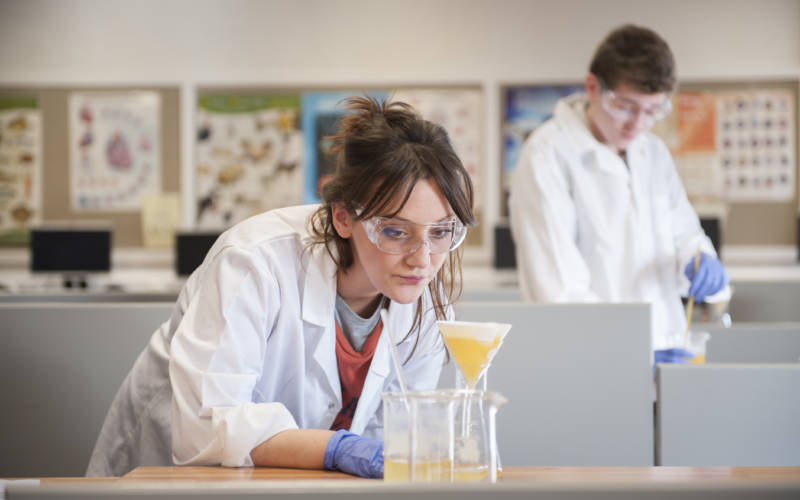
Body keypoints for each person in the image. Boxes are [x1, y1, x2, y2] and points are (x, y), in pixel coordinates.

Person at [87, 96, 476, 478]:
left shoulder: (424, 298)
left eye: (441, 232)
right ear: (343, 217)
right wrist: (335, 448)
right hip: (169, 478)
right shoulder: (254, 261)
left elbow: (394, 439)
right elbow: (207, 429)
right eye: (394, 231)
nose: (423, 259)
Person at [508, 25, 730, 368]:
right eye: (625, 107)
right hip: (588, 363)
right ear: (593, 87)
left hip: (668, 348)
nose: (637, 124)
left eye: (653, 110)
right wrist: (632, 352)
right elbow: (558, 288)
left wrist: (699, 258)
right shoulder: (547, 155)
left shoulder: (653, 153)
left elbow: (684, 233)